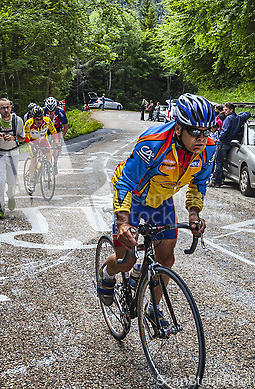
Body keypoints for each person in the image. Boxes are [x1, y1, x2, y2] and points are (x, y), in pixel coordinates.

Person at [97, 93, 216, 326]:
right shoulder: (153, 143)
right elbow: (125, 183)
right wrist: (123, 222)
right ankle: (107, 273)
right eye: (195, 132)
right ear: (179, 128)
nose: (202, 138)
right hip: (134, 196)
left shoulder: (208, 150)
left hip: (161, 200)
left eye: (207, 131)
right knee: (126, 261)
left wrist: (194, 215)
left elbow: (197, 185)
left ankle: (153, 308)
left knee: (166, 259)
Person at [0, 98, 25, 220]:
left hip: (13, 153)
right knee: (0, 180)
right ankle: (0, 208)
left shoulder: (17, 120)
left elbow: (23, 138)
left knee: (12, 180)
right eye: (3, 108)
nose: (6, 110)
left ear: (11, 107)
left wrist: (14, 138)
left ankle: (11, 195)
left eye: (7, 107)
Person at [210, 102, 251, 188]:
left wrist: (220, 138)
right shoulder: (239, 118)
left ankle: (216, 181)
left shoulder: (228, 119)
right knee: (223, 162)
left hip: (223, 142)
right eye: (224, 109)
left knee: (218, 162)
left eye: (226, 110)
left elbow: (225, 130)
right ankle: (221, 179)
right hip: (231, 144)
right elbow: (248, 114)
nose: (224, 111)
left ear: (231, 110)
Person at [24, 104, 59, 189]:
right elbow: (26, 138)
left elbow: (54, 132)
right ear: (33, 117)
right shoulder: (29, 123)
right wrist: (32, 145)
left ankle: (48, 168)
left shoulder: (47, 120)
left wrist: (57, 142)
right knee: (34, 159)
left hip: (43, 140)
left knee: (48, 153)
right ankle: (31, 182)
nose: (39, 121)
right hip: (32, 142)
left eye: (40, 119)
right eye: (37, 119)